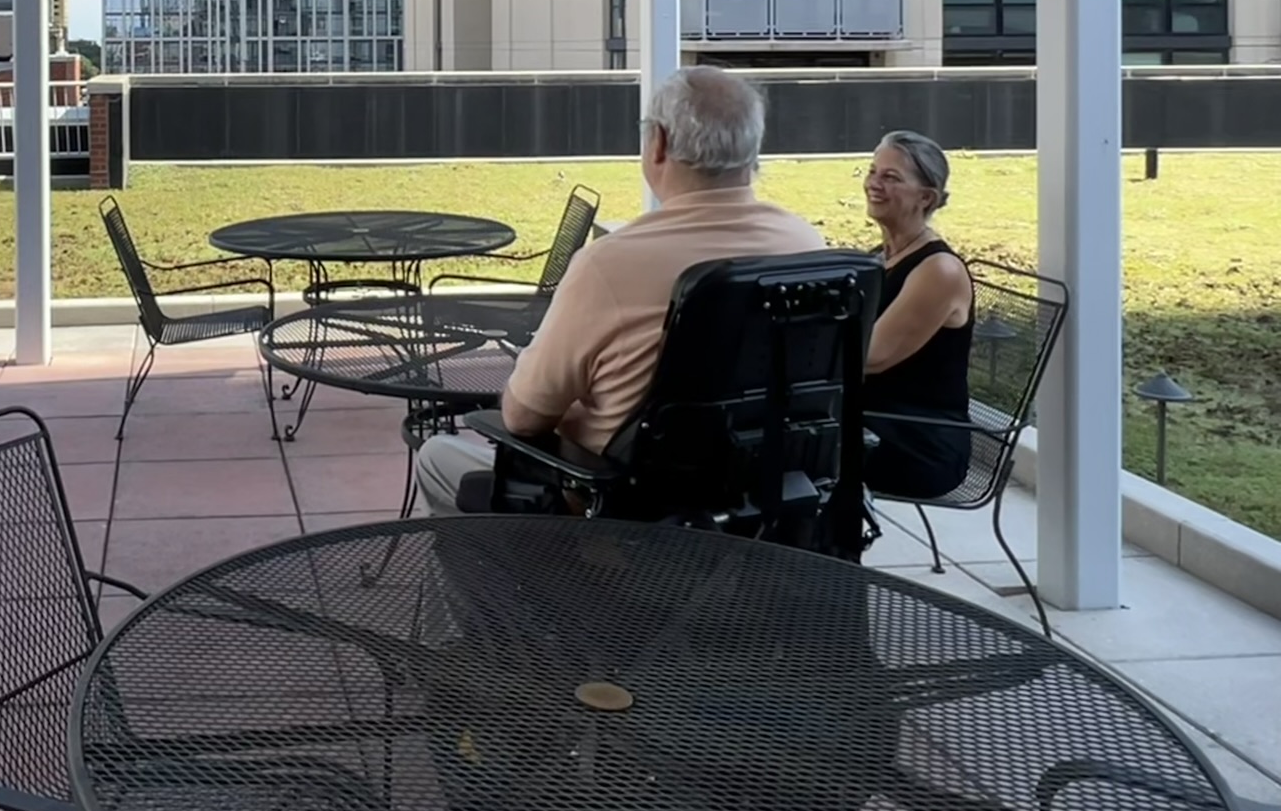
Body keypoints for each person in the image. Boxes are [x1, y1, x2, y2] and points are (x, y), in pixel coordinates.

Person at [414, 66, 825, 515]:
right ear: (753, 147)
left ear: (660, 144)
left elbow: (523, 417)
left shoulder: (609, 263)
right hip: (758, 506)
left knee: (438, 455)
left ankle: (514, 583)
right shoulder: (805, 244)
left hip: (617, 512)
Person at [860, 130, 976, 498]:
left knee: (777, 454)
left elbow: (871, 357)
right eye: (872, 171)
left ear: (926, 197)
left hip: (918, 444)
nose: (873, 184)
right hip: (872, 424)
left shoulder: (938, 270)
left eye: (890, 177)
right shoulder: (878, 257)